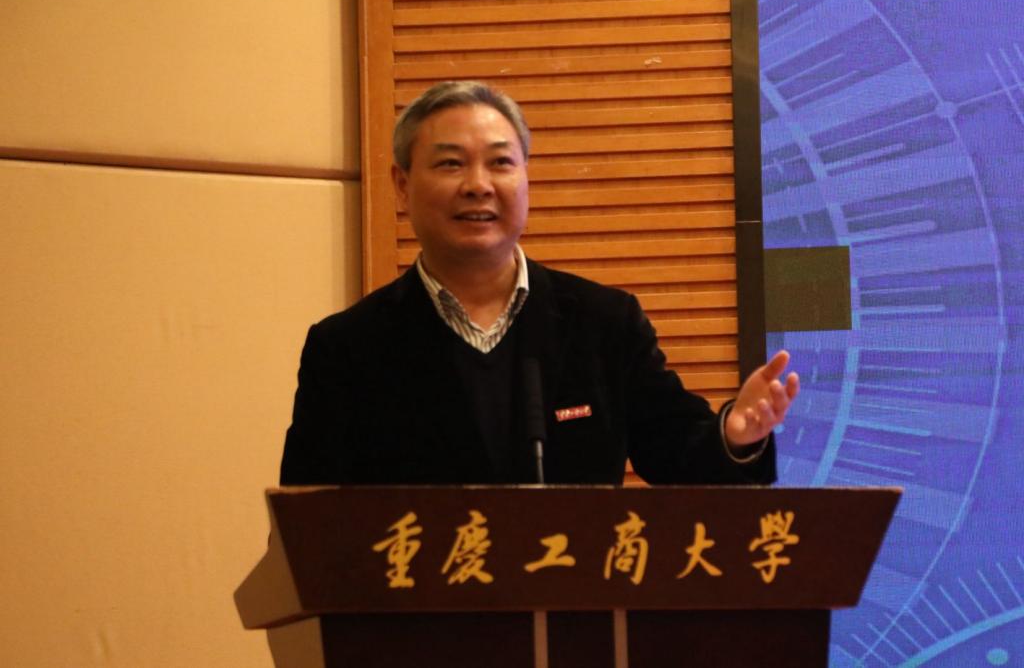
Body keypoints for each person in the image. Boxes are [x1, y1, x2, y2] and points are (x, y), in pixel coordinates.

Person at [280, 81, 799, 487]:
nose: (478, 185)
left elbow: (678, 452)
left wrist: (735, 436)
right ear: (401, 185)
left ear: (526, 177)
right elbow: (305, 530)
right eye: (450, 163)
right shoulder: (347, 348)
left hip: (576, 594)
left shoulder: (604, 323)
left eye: (500, 163)